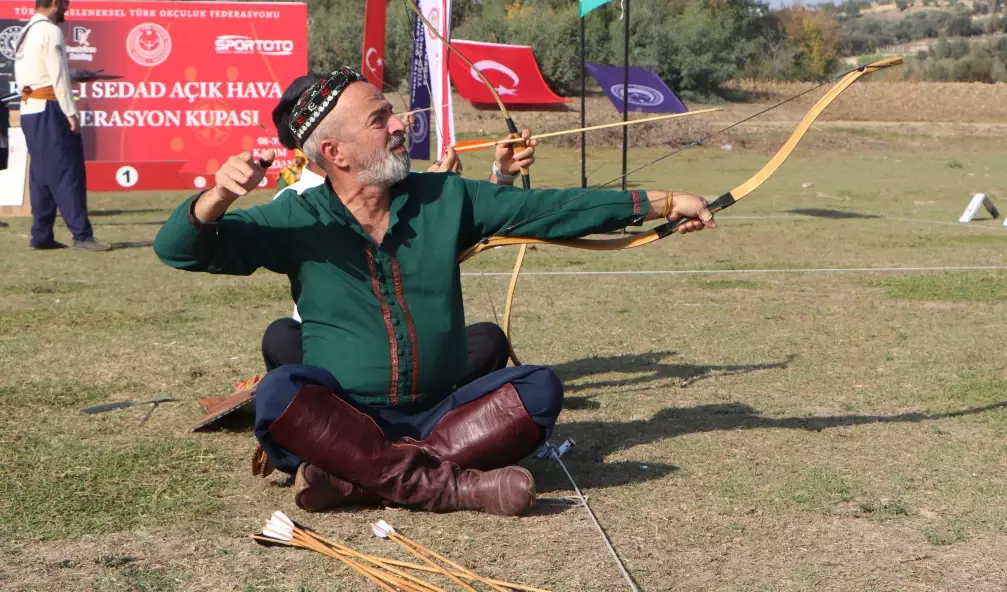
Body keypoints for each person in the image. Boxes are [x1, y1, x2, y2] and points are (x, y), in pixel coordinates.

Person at [152, 67, 715, 517]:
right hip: (347, 417)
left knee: (539, 388)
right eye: (380, 119)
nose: (399, 124)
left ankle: (358, 478)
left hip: (441, 415)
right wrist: (216, 198)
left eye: (391, 112)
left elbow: (549, 209)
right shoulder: (297, 218)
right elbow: (179, 249)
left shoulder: (446, 197)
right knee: (279, 393)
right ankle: (452, 488)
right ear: (336, 154)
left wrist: (662, 203)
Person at [261, 74, 537, 382]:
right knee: (282, 337)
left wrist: (501, 175)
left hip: (411, 346)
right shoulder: (294, 201)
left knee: (488, 340)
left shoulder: (400, 180)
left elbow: (469, 226)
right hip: (337, 350)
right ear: (330, 142)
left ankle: (409, 400)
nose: (398, 126)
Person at [14, 0, 108, 251]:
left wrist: (75, 74)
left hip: (31, 109)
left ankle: (41, 235)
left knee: (42, 175)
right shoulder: (51, 32)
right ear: (55, 3)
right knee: (68, 171)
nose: (68, 5)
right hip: (50, 109)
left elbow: (40, 74)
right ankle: (82, 235)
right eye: (65, 1)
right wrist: (71, 112)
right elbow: (57, 78)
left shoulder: (27, 31)